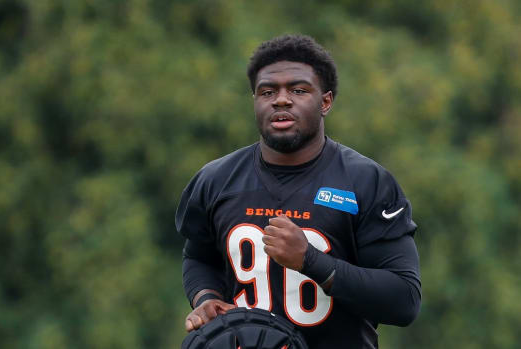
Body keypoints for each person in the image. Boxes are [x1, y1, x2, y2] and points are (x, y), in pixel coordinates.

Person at [176, 34, 421, 349]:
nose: (281, 100)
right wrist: (206, 298)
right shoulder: (216, 179)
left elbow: (404, 300)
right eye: (268, 91)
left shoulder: (366, 182)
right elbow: (198, 256)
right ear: (255, 100)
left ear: (325, 102)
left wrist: (311, 261)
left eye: (298, 90)